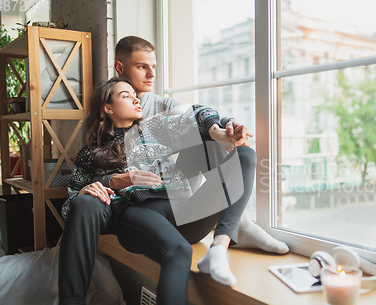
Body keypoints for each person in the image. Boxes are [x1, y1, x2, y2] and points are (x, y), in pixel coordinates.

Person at [58, 77, 256, 305]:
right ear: (107, 107)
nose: (136, 98)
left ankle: (219, 248)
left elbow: (195, 113)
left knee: (244, 155)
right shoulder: (91, 154)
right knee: (178, 252)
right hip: (139, 212)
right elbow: (69, 208)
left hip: (181, 209)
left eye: (135, 94)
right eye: (126, 95)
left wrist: (220, 130)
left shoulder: (154, 129)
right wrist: (90, 188)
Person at [109, 36, 288, 254]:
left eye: (154, 67)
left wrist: (226, 126)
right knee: (202, 135)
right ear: (120, 67)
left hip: (179, 202)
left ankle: (241, 226)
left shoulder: (163, 104)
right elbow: (94, 166)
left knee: (208, 136)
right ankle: (237, 227)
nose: (152, 74)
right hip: (148, 211)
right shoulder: (108, 110)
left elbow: (198, 115)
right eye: (142, 67)